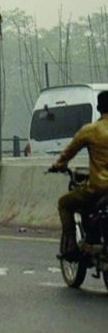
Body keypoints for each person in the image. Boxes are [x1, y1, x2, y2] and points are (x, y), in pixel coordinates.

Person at [49, 90, 108, 261]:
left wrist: (58, 165)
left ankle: (71, 245)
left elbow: (69, 152)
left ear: (98, 107)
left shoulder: (90, 130)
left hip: (99, 188)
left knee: (64, 203)